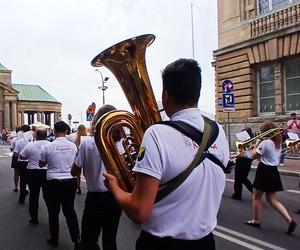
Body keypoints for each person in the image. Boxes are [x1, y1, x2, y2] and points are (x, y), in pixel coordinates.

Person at [104, 59, 230, 250]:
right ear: (197, 92)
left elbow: (139, 212)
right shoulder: (219, 131)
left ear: (165, 95)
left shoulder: (156, 133)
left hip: (160, 244)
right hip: (205, 243)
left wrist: (115, 186)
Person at [71, 105, 122, 250]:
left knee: (89, 240)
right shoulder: (125, 144)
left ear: (96, 122)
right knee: (110, 239)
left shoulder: (86, 143)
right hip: (116, 197)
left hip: (94, 198)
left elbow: (74, 172)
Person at [245, 121, 297, 234]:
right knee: (272, 199)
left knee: (256, 198)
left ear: (265, 132)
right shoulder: (278, 142)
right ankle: (290, 221)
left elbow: (252, 156)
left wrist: (257, 142)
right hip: (273, 171)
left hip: (264, 170)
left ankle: (256, 220)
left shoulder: (265, 143)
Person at [39, 120, 80, 249]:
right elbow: (76, 161)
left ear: (54, 131)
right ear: (66, 131)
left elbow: (41, 164)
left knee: (53, 212)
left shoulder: (47, 147)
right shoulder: (73, 146)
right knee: (69, 211)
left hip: (53, 183)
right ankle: (76, 240)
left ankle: (54, 239)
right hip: (69, 182)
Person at [19, 128, 50, 224]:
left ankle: (34, 217)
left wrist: (31, 157)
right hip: (46, 172)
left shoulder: (30, 145)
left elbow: (21, 156)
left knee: (34, 195)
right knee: (48, 196)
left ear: (36, 135)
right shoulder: (50, 144)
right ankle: (52, 217)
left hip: (33, 172)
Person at [231, 127, 253, 200]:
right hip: (248, 161)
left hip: (242, 160)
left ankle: (237, 195)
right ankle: (254, 192)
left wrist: (235, 156)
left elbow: (242, 153)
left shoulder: (246, 142)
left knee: (238, 179)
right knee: (243, 179)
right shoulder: (252, 141)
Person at [13, 124, 33, 204]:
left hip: (22, 163)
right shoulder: (33, 140)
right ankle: (33, 199)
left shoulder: (19, 141)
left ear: (22, 131)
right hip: (32, 162)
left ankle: (22, 198)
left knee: (23, 180)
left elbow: (15, 154)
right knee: (32, 181)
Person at [74, 124, 88, 195]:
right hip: (86, 157)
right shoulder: (86, 138)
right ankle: (89, 186)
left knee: (78, 174)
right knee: (86, 173)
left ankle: (78, 188)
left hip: (78, 157)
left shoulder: (76, 138)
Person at [10, 127, 22, 192]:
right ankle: (25, 187)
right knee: (24, 173)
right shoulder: (26, 139)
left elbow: (11, 149)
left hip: (15, 156)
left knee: (16, 173)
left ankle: (16, 187)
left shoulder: (14, 139)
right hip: (24, 157)